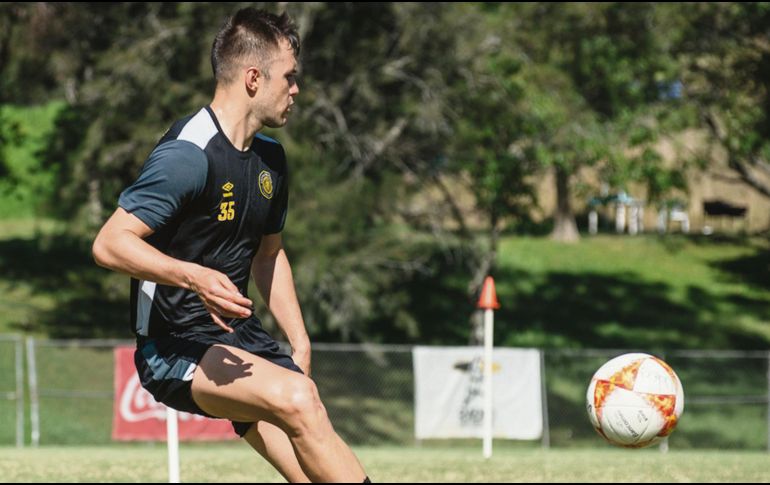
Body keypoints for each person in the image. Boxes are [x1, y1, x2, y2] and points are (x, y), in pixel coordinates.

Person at [92, 8, 369, 483]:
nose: (297, 90)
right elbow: (109, 243)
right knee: (301, 401)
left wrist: (299, 340)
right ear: (254, 77)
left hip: (243, 341)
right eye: (290, 78)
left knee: (311, 464)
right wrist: (190, 275)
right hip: (174, 346)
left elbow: (269, 254)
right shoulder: (188, 154)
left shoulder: (270, 160)